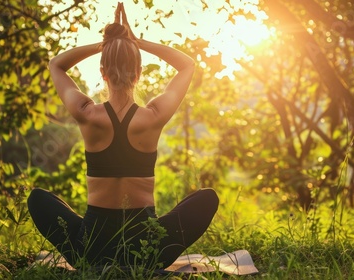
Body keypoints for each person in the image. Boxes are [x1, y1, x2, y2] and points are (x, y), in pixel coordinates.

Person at [27, 2, 218, 270]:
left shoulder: (86, 113)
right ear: (138, 74)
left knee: (37, 198)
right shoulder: (153, 116)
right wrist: (135, 41)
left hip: (92, 249)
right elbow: (186, 65)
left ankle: (88, 260)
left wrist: (105, 44)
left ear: (102, 73)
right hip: (147, 250)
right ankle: (144, 262)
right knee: (207, 197)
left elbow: (56, 65)